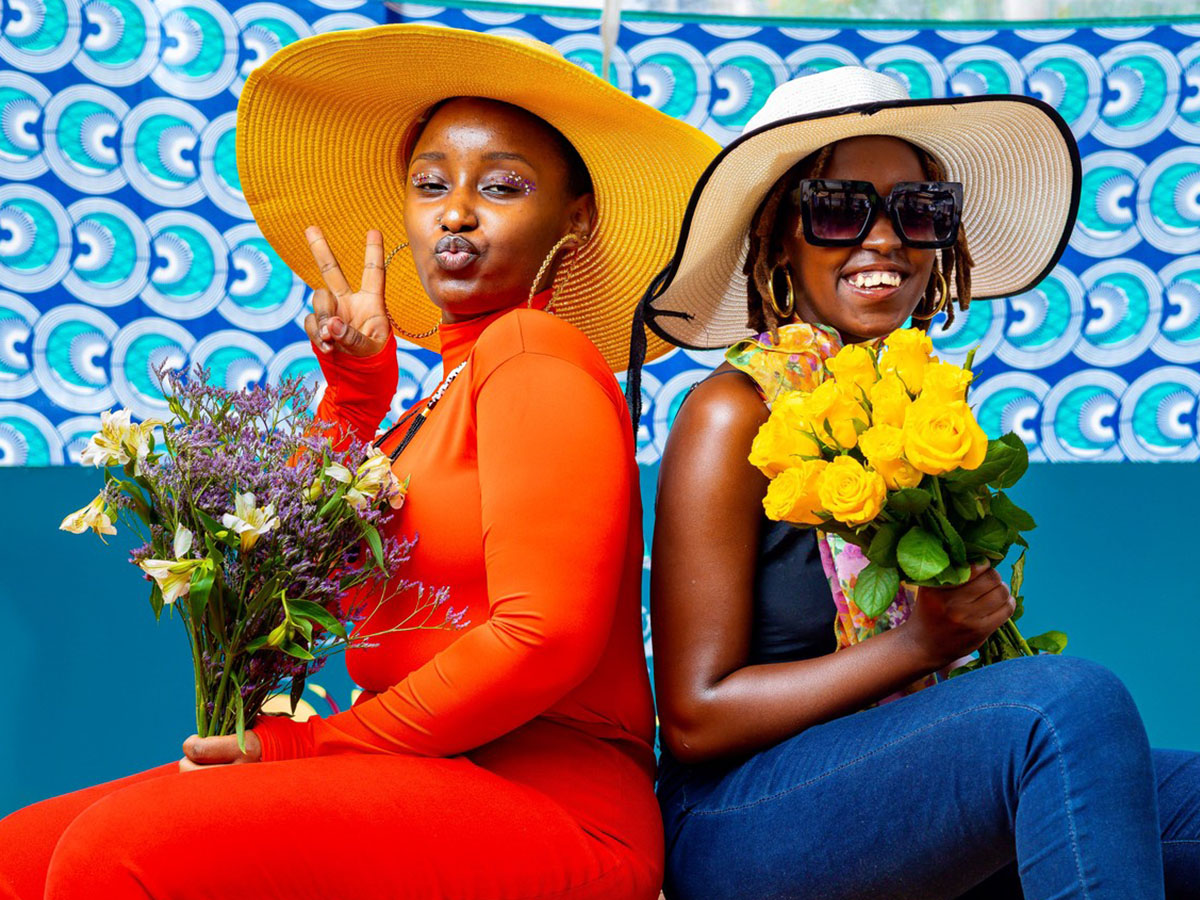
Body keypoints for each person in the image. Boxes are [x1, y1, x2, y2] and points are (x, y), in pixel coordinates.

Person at [0, 25, 717, 899]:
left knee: (118, 853)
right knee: (21, 852)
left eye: (501, 186)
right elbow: (278, 570)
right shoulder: (432, 402)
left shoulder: (536, 353)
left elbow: (544, 640)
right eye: (430, 185)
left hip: (547, 798)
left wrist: (314, 745)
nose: (457, 210)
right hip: (425, 773)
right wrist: (356, 391)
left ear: (575, 218)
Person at [635, 66, 1200, 900]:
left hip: (897, 781)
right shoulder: (733, 412)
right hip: (739, 820)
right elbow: (694, 717)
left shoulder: (920, 413)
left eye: (918, 212)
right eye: (838, 207)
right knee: (1064, 705)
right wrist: (918, 644)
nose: (886, 240)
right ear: (779, 232)